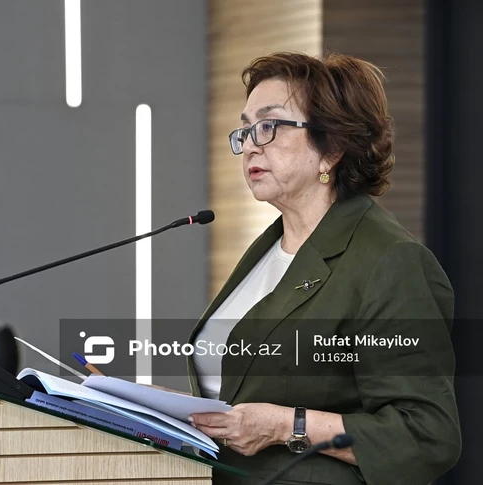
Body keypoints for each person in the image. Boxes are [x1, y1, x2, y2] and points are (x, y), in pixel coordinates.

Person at [186, 52, 461, 484]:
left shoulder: (391, 261)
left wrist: (286, 426)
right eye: (245, 129)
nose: (251, 144)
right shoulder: (267, 248)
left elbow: (425, 435)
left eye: (269, 126)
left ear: (331, 148)